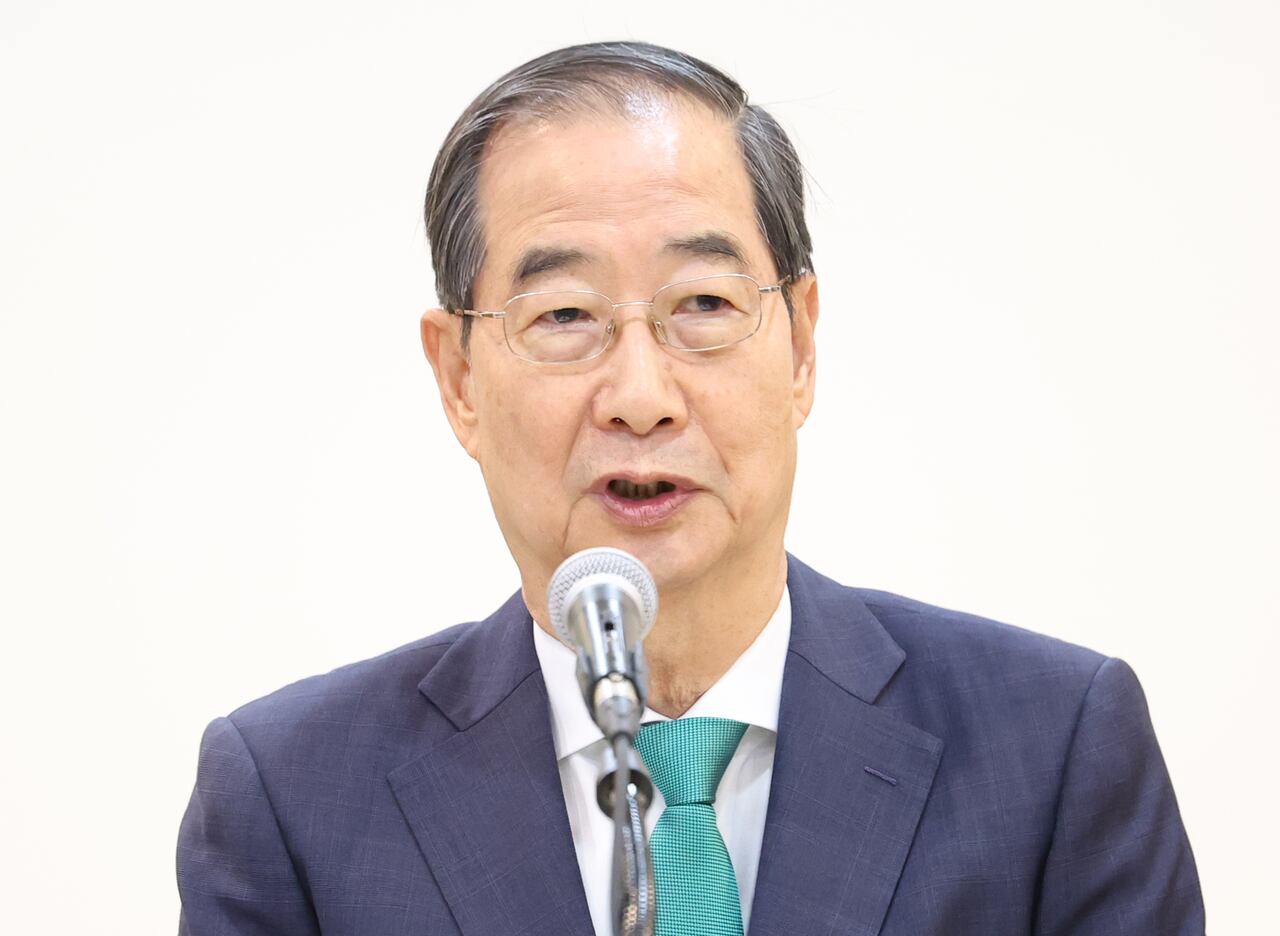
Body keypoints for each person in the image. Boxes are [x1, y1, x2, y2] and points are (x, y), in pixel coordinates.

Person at [176, 41, 1204, 935]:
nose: (640, 397)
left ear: (799, 345)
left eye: (703, 303)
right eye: (564, 315)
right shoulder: (294, 801)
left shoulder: (1052, 749)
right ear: (458, 380)